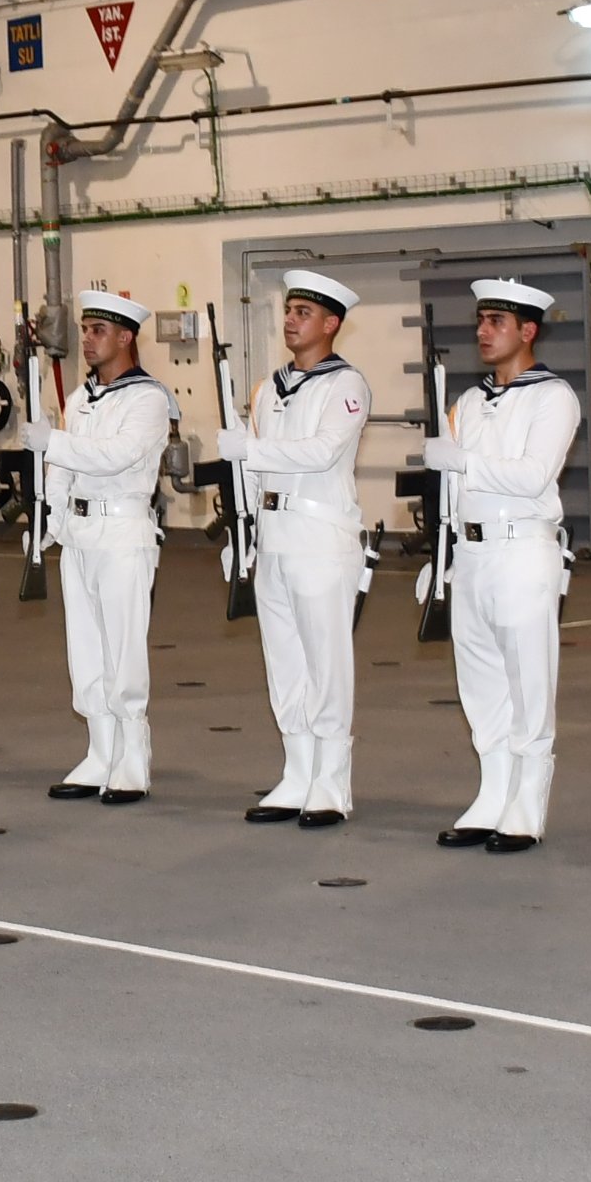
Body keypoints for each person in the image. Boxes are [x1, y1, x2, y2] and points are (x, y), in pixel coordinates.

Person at [427, 279, 581, 854]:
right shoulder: (469, 401)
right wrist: (441, 555)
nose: (483, 332)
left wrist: (463, 460)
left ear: (528, 330)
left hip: (522, 550)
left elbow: (534, 475)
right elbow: (455, 491)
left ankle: (527, 803)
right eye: (480, 321)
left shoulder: (553, 397)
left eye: (496, 322)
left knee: (527, 681)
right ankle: (493, 793)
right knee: (481, 684)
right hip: (471, 554)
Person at [219, 270, 371, 827]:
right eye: (288, 310)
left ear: (331, 324)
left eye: (303, 313)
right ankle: (298, 771)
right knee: (284, 662)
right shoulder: (268, 388)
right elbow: (254, 476)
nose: (290, 320)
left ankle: (331, 781)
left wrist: (251, 450)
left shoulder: (345, 386)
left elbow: (322, 452)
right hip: (275, 537)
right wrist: (243, 534)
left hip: (319, 537)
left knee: (326, 664)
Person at [43, 290, 175, 805]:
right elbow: (62, 468)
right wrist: (52, 516)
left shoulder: (148, 398)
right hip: (79, 534)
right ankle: (100, 751)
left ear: (125, 337)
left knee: (122, 649)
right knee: (86, 649)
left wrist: (53, 443)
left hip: (121, 530)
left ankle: (132, 758)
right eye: (85, 329)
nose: (87, 339)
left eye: (98, 330)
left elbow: (117, 455)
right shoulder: (80, 398)